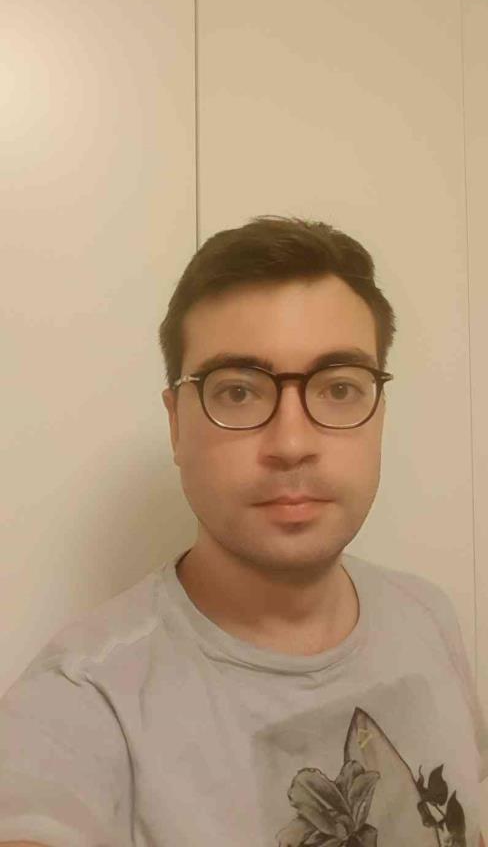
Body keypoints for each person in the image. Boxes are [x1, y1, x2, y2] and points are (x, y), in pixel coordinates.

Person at [0, 214, 486, 847]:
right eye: (237, 392)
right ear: (176, 424)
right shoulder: (87, 702)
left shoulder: (428, 616)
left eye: (340, 388)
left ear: (379, 413)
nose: (292, 443)